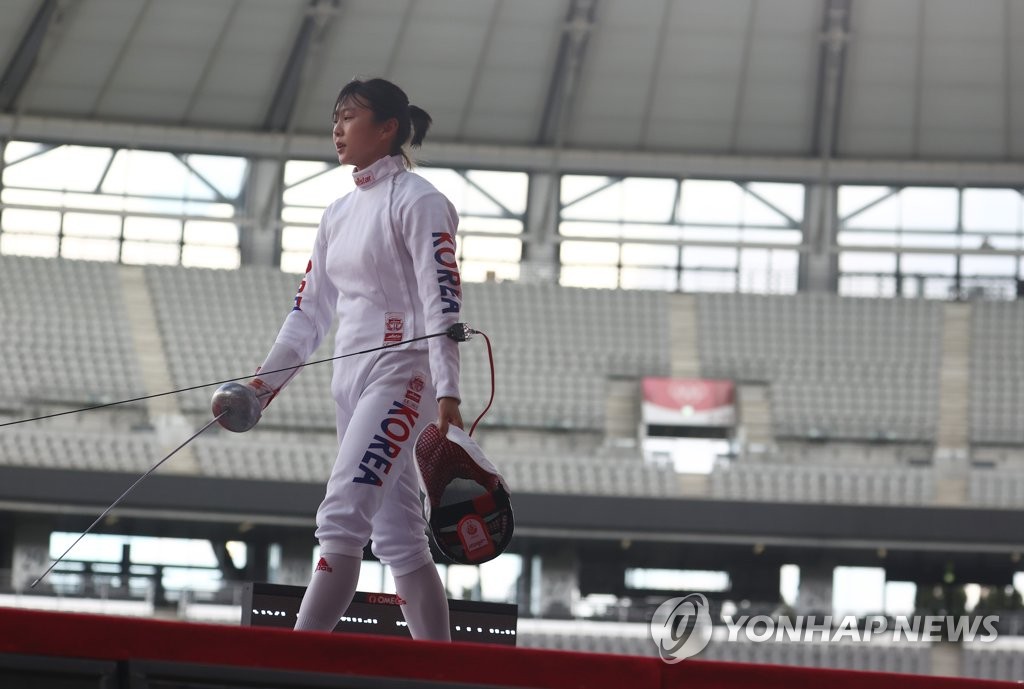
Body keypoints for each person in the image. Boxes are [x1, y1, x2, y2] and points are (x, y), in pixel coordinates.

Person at [243, 77, 463, 640]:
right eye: (335, 116)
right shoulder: (337, 213)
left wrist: (447, 392)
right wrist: (259, 389)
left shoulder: (421, 201)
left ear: (387, 128)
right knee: (398, 539)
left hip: (403, 374)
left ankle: (295, 659)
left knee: (340, 517)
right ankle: (440, 671)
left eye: (350, 117)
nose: (337, 128)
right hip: (349, 382)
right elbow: (308, 314)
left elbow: (444, 299)